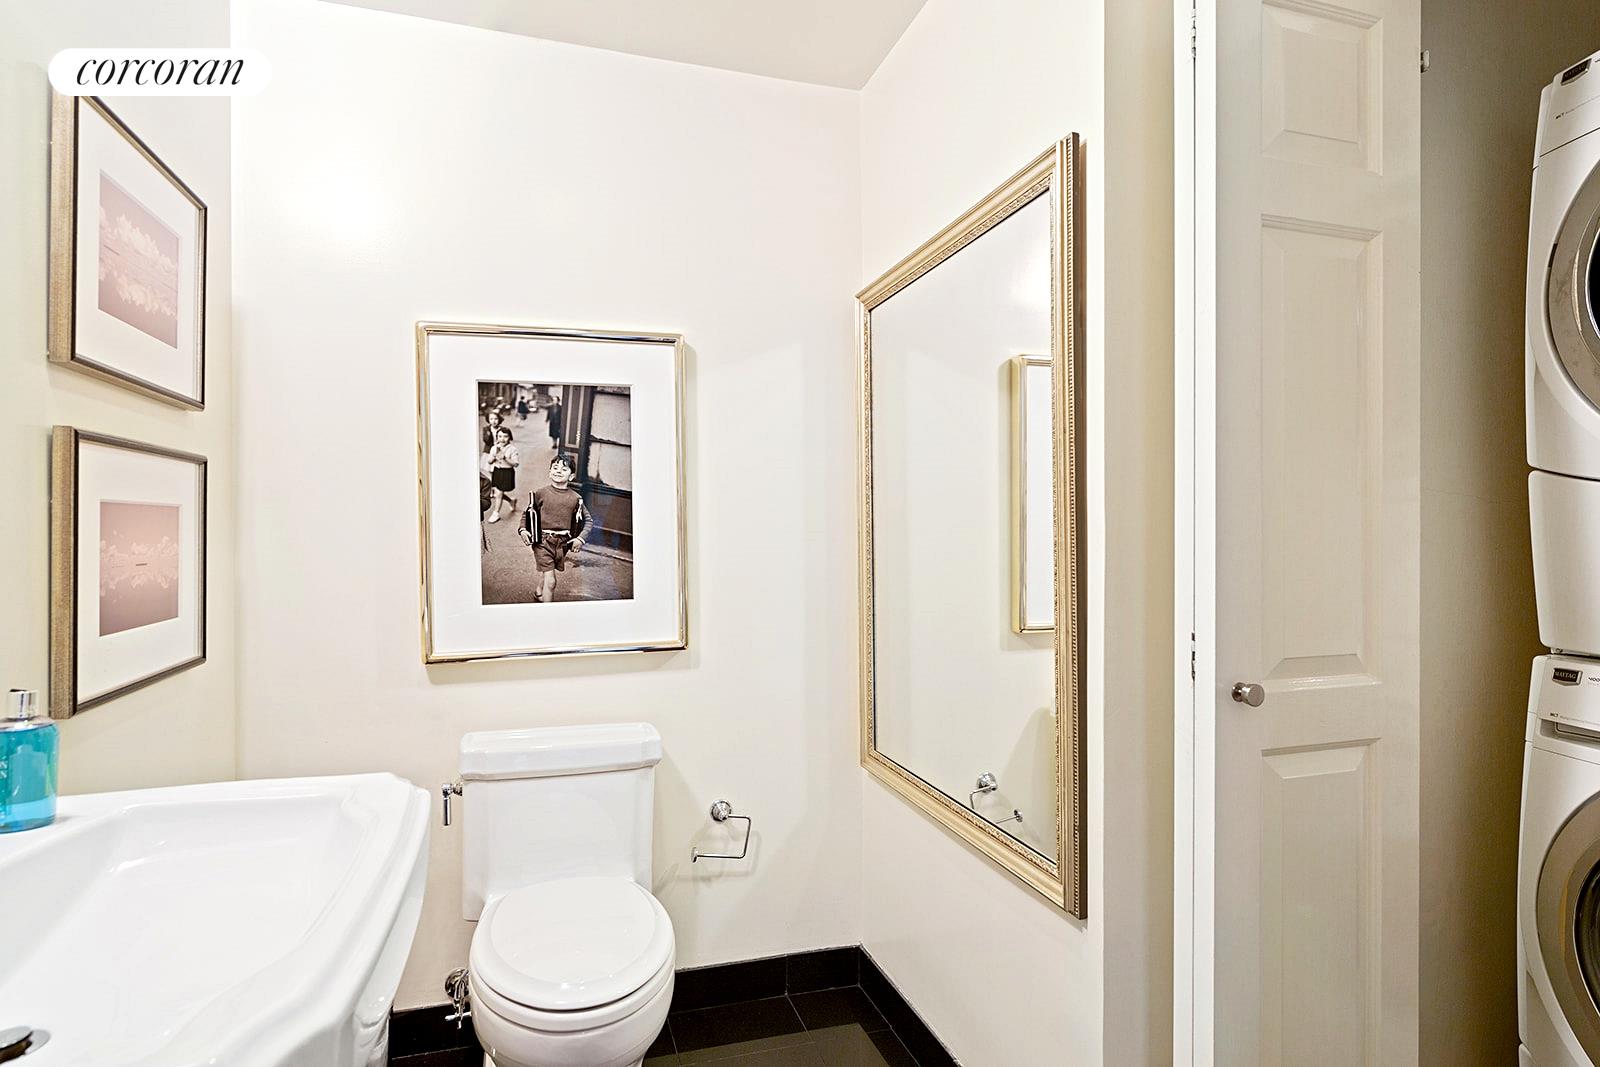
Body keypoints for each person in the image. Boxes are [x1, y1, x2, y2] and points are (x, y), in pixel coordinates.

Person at [518, 453, 592, 603]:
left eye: (564, 469)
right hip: (542, 542)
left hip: (562, 544)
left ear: (571, 477)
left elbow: (589, 521)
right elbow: (527, 514)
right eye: (555, 467)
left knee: (547, 570)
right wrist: (523, 530)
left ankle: (539, 591)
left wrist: (580, 539)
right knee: (551, 581)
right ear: (550, 472)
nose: (558, 471)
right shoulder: (541, 493)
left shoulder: (576, 498)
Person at [483, 426, 520, 522]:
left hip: (507, 472)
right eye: (500, 436)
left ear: (509, 437)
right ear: (497, 437)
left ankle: (496, 513)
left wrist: (505, 458)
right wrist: (493, 456)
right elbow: (489, 461)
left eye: (505, 436)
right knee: (498, 493)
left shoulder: (512, 449)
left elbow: (515, 464)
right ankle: (511, 500)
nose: (502, 439)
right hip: (497, 471)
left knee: (499, 493)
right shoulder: (494, 448)